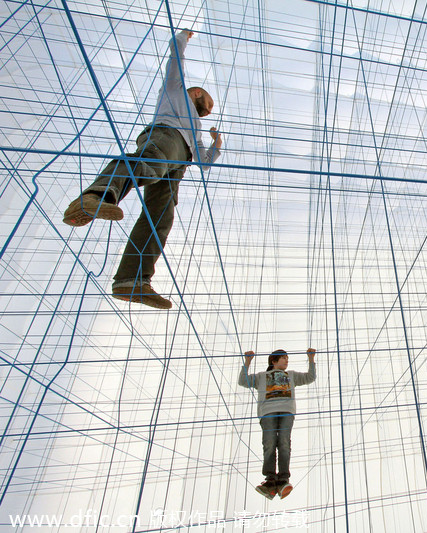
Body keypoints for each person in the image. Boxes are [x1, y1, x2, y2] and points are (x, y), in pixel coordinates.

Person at [63, 29, 222, 309]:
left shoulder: (196, 128)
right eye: (207, 104)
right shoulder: (175, 92)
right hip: (166, 137)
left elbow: (203, 163)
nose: (208, 111)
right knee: (147, 166)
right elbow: (175, 56)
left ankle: (131, 281)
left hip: (179, 163)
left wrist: (216, 144)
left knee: (161, 218)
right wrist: (182, 37)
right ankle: (94, 198)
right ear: (196, 93)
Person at [239, 348, 317, 499]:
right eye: (283, 358)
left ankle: (282, 479)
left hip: (286, 411)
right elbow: (243, 381)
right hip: (267, 412)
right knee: (269, 443)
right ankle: (270, 480)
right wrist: (247, 362)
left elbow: (310, 377)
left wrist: (311, 359)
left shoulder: (292, 375)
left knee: (283, 442)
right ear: (273, 361)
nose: (287, 360)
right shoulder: (262, 377)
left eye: (287, 358)